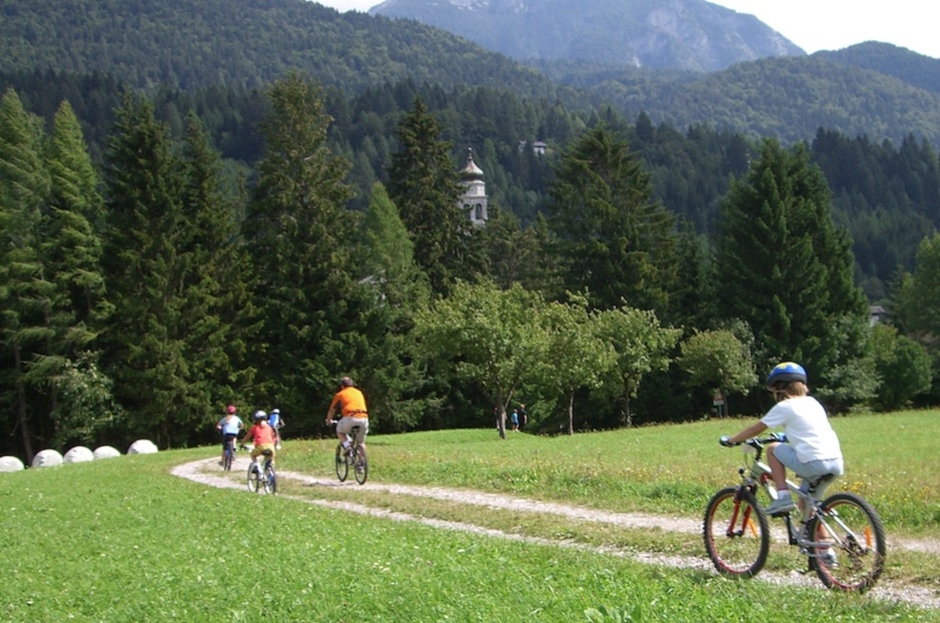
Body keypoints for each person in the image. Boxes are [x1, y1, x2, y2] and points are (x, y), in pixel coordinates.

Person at [721, 362, 844, 517]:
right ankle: (820, 539)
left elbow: (755, 429)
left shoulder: (785, 406)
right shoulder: (813, 403)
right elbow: (808, 430)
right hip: (836, 463)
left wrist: (731, 440)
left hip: (813, 463)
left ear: (780, 388)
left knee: (772, 449)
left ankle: (783, 497)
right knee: (808, 506)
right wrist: (785, 436)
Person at [325, 376, 369, 455]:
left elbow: (332, 410)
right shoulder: (359, 392)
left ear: (342, 386)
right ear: (352, 384)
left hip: (350, 417)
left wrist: (329, 420)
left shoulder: (340, 394)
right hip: (363, 418)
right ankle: (362, 464)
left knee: (340, 431)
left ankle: (347, 446)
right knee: (361, 443)